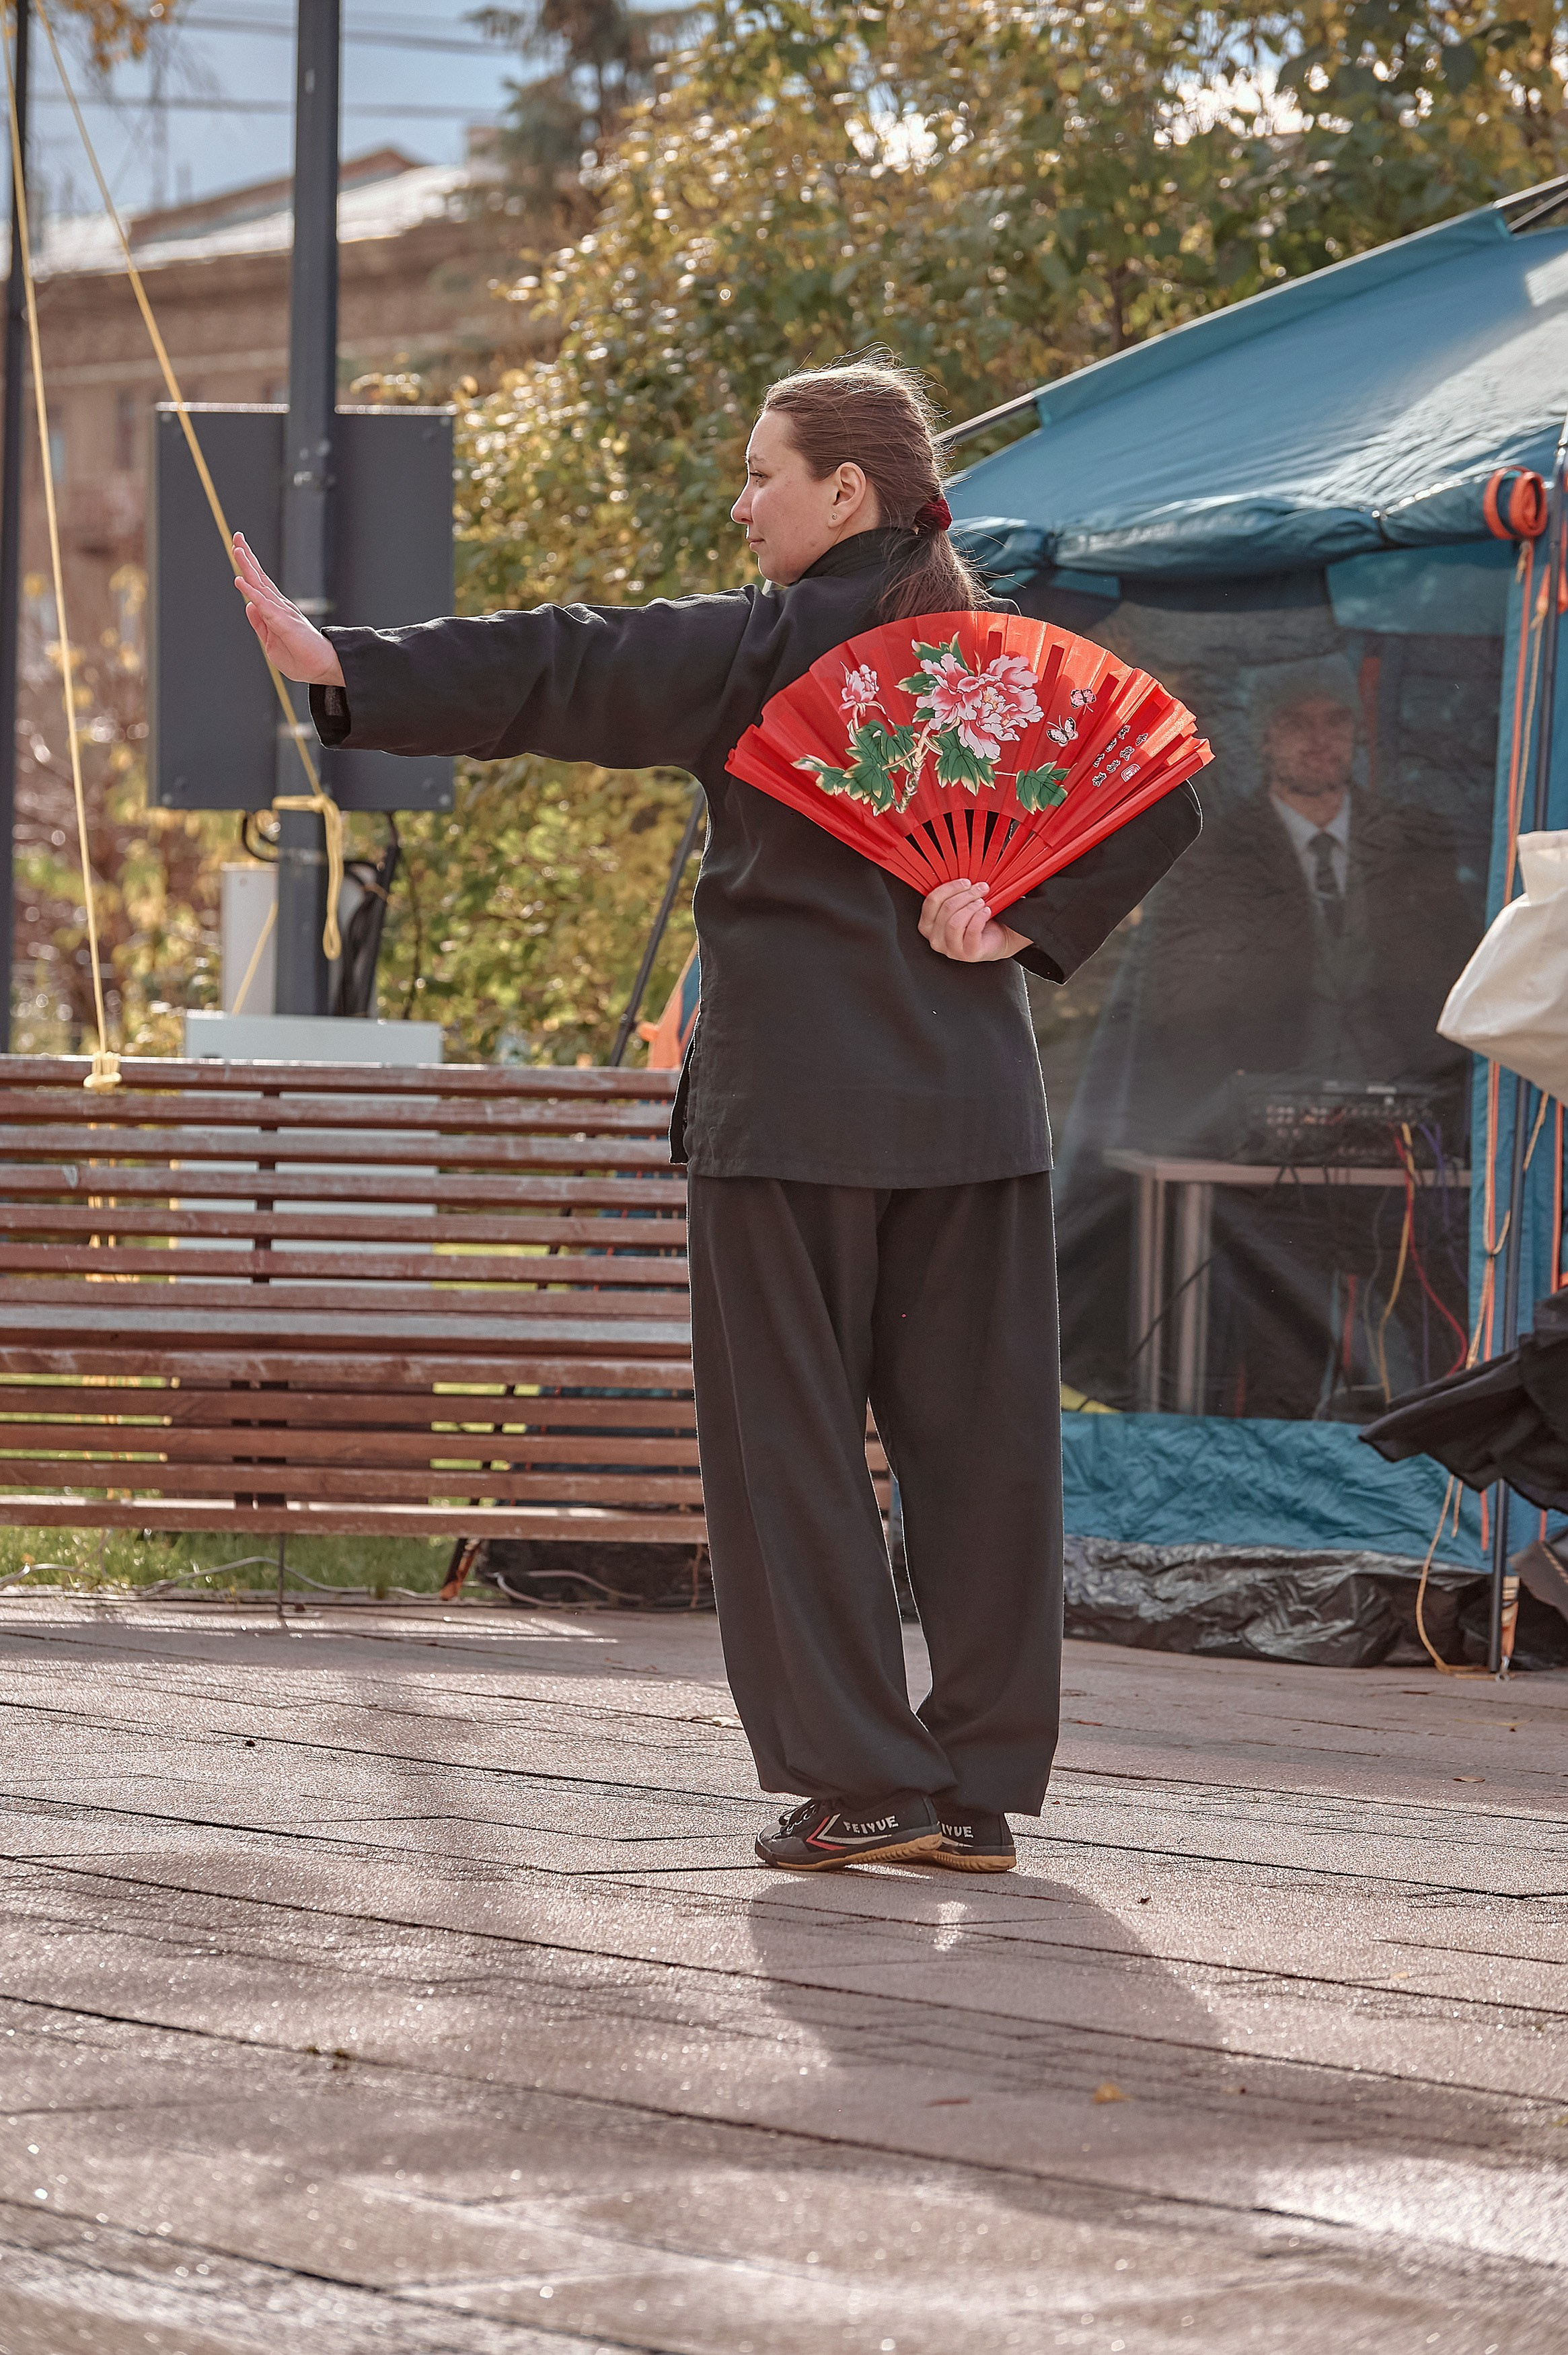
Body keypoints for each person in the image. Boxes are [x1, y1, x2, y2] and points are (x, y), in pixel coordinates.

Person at [233, 358, 1201, 1874]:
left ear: (847, 494)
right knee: (988, 1457)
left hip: (791, 1117)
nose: (742, 502)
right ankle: (977, 1792)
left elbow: (568, 662)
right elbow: (1162, 792)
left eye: (764, 474)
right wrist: (1021, 923)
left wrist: (345, 662)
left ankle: (861, 1781)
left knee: (793, 1451)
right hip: (971, 1116)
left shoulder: (764, 646)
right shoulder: (1000, 660)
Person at [1129, 657, 1472, 1143]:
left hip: (1408, 1126)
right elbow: (1177, 1000)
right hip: (1258, 1129)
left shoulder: (1414, 840)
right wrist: (1228, 1113)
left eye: (1335, 719)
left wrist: (1440, 1096)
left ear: (1355, 733)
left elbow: (1455, 975)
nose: (1318, 738)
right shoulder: (1213, 853)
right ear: (1263, 740)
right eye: (1294, 722)